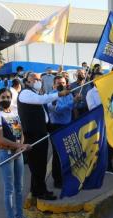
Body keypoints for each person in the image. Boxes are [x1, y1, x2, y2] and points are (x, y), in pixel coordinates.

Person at [18, 72, 70, 200]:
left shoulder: (34, 93)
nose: (38, 81)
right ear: (27, 82)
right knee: (38, 165)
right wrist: (58, 94)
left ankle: (36, 189)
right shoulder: (25, 93)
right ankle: (41, 192)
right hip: (33, 134)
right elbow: (42, 100)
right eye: (34, 79)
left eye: (39, 79)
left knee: (39, 165)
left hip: (41, 131)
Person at [0, 88, 36, 218]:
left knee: (19, 188)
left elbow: (21, 132)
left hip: (18, 154)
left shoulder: (15, 113)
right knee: (9, 190)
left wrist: (20, 146)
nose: (5, 99)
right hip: (6, 154)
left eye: (8, 97)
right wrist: (20, 146)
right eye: (3, 97)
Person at [86, 72, 113, 175]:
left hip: (111, 121)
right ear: (93, 81)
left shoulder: (109, 90)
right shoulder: (90, 93)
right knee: (100, 146)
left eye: (102, 77)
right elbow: (91, 108)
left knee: (110, 145)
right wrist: (105, 103)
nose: (100, 79)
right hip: (99, 123)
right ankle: (98, 166)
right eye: (97, 78)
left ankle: (108, 166)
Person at [47, 75, 76, 188]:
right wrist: (72, 102)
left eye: (63, 83)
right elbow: (57, 109)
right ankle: (57, 180)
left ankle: (67, 176)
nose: (61, 84)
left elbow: (72, 106)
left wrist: (75, 100)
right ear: (54, 85)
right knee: (57, 154)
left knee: (68, 152)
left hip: (68, 125)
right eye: (58, 83)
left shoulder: (69, 94)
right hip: (56, 127)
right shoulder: (51, 96)